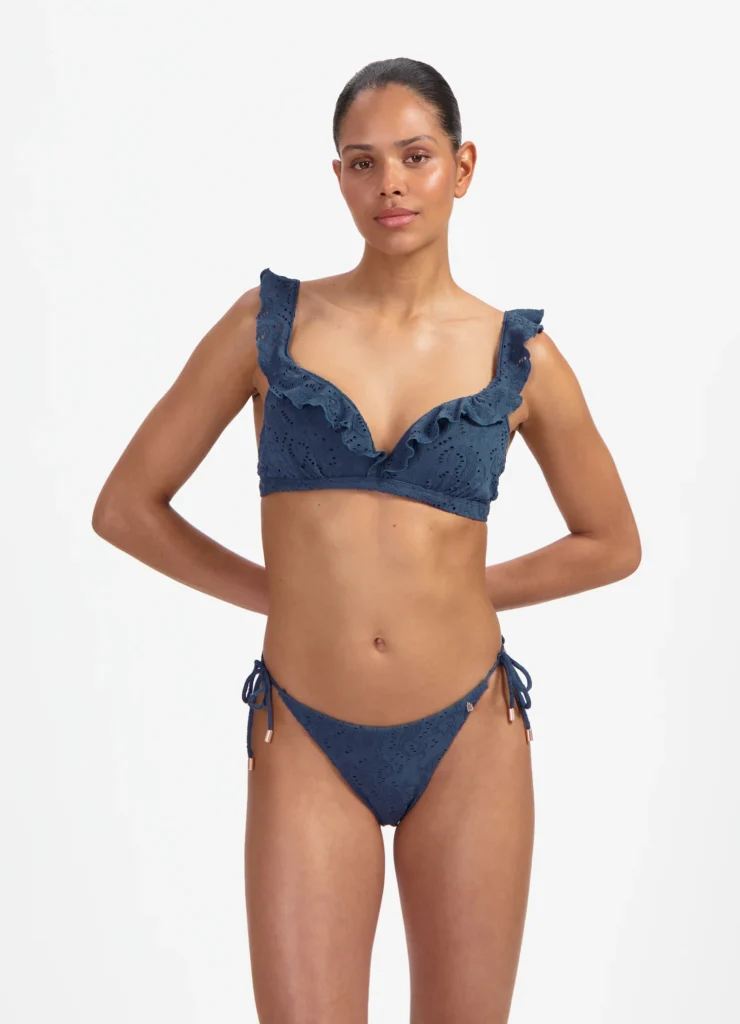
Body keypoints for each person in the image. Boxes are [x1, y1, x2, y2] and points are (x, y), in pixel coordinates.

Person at [92, 56, 641, 1024]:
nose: (389, 182)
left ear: (461, 167)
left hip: (469, 734)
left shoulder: (520, 358)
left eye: (415, 156)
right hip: (308, 730)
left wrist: (463, 594)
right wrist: (286, 595)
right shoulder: (267, 327)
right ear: (339, 177)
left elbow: (610, 541)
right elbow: (128, 507)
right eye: (362, 161)